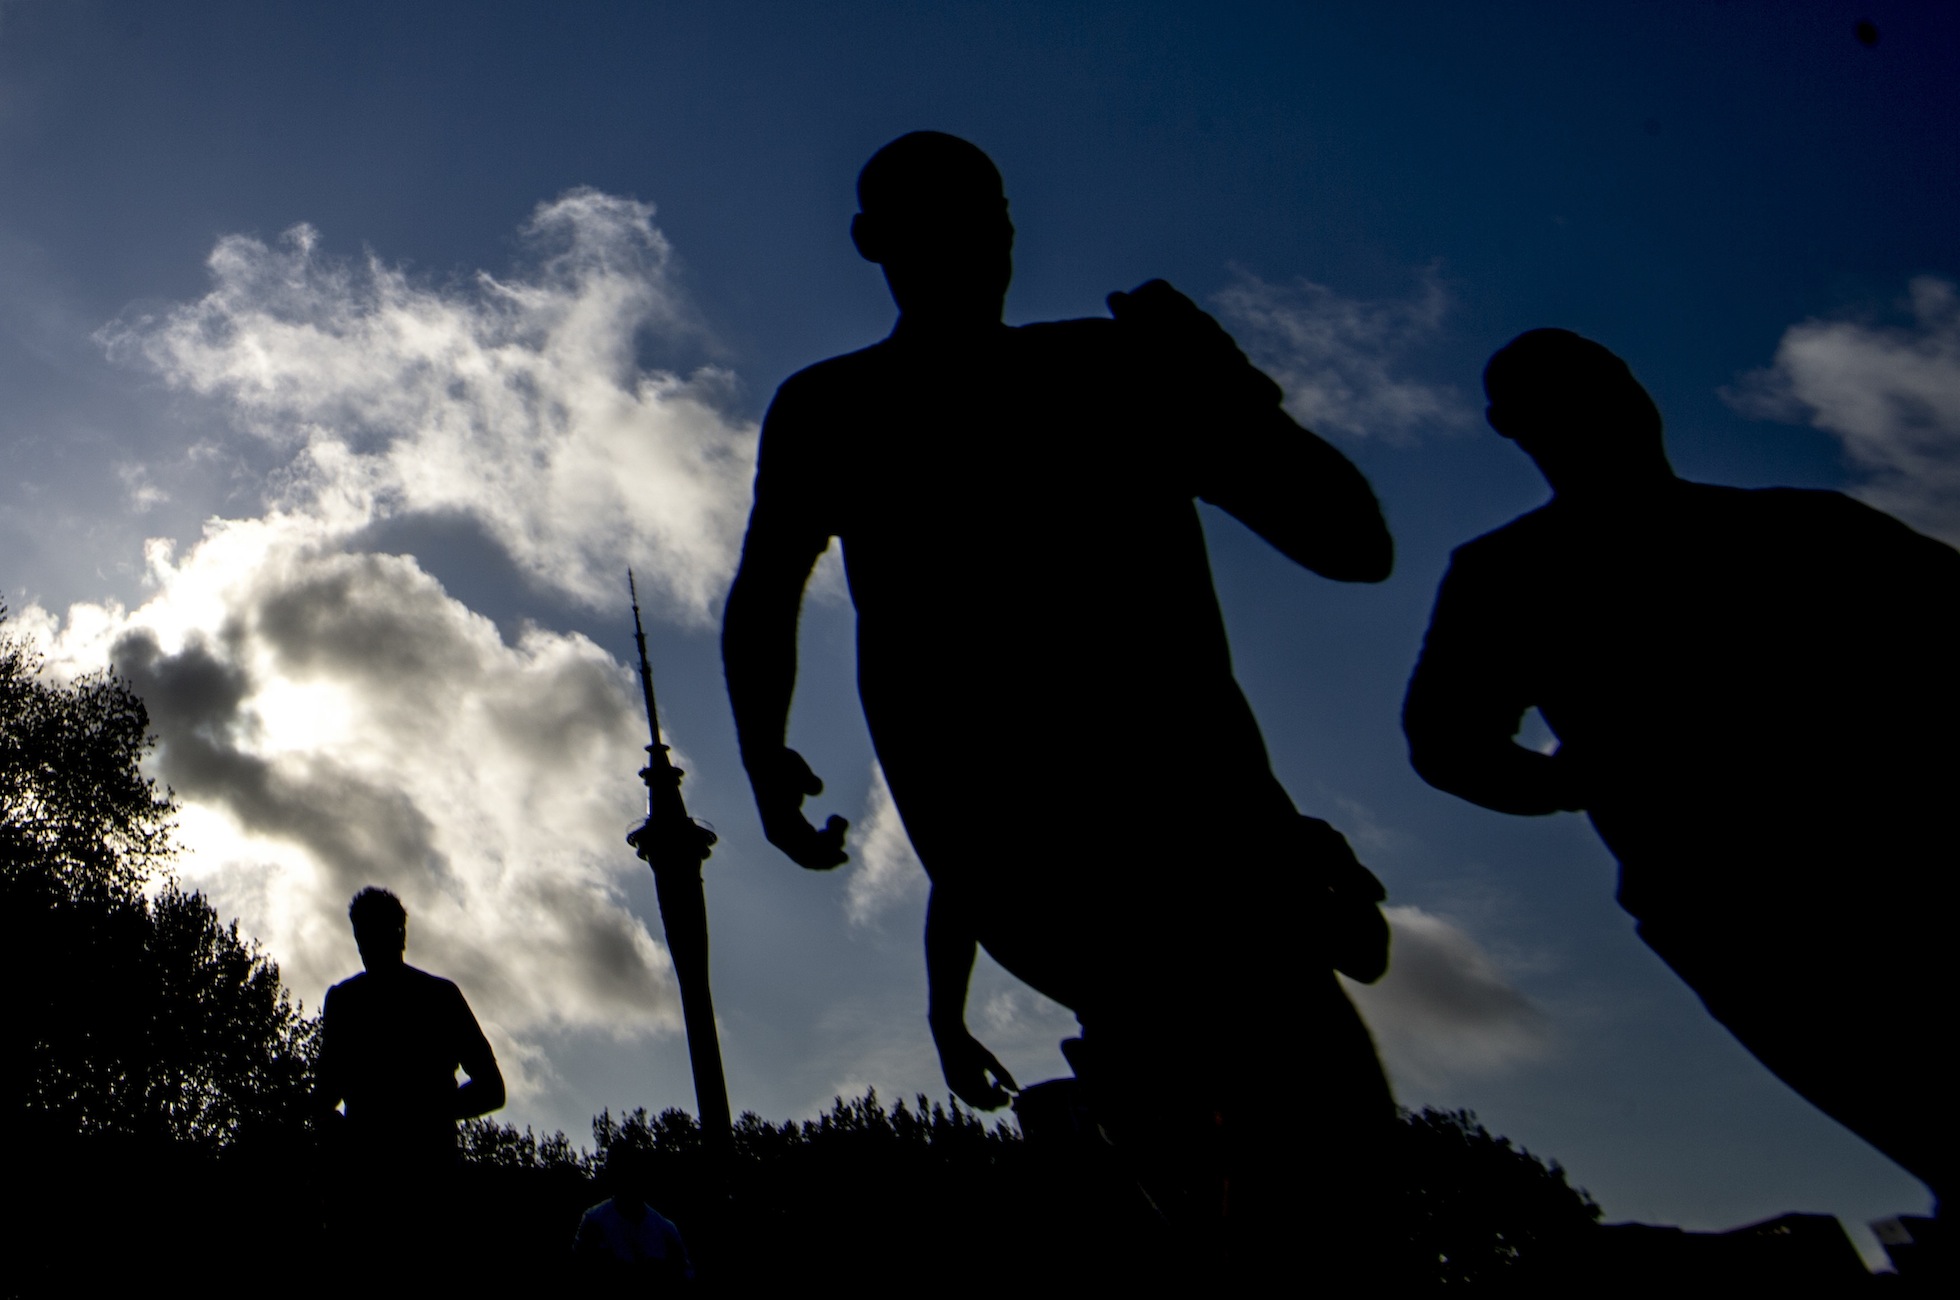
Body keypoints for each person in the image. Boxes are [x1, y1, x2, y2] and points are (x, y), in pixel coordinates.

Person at [722, 130, 1398, 1266]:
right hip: (1069, 868)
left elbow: (1350, 545)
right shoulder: (844, 407)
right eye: (941, 219)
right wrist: (760, 749)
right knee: (1289, 1179)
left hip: (1195, 842)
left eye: (984, 213)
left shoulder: (1108, 370)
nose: (974, 240)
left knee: (1317, 1182)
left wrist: (1229, 389)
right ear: (873, 242)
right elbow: (765, 590)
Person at [1402, 328, 1958, 1214]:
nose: (1607, 405)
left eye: (1611, 380)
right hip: (1738, 911)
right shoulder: (1509, 575)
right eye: (1567, 393)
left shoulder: (1811, 527)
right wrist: (1586, 781)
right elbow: (1447, 744)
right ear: (1512, 426)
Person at [316, 887, 506, 1278]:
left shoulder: (437, 997)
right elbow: (324, 1096)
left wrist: (422, 1116)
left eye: (373, 934)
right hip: (373, 1188)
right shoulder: (348, 1001)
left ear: (399, 935)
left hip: (422, 1185)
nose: (366, 946)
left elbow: (492, 1088)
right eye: (361, 935)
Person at [574, 1144, 696, 1289]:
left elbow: (685, 1275)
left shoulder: (666, 1230)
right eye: (620, 1171)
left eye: (630, 1171)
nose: (626, 1180)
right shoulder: (594, 1222)